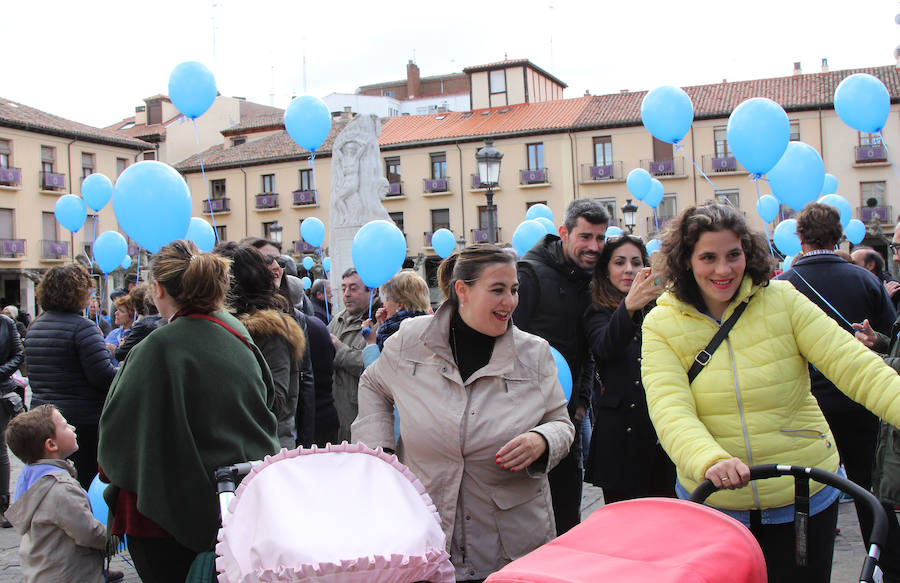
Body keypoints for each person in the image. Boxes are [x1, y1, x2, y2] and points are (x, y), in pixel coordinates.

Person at [641, 203, 900, 583]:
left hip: (804, 493)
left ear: (749, 252)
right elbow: (668, 407)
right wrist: (708, 458)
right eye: (708, 257)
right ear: (685, 260)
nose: (724, 269)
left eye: (734, 255)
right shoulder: (661, 323)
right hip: (717, 502)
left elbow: (856, 367)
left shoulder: (783, 299)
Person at [353, 244, 575, 581]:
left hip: (509, 541)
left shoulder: (534, 353)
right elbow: (373, 385)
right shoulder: (411, 341)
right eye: (498, 290)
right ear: (462, 290)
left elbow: (561, 422)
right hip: (429, 531)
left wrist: (542, 440)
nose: (510, 302)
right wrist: (380, 452)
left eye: (514, 290)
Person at [97, 240, 279, 583]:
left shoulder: (157, 347)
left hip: (162, 517)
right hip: (236, 504)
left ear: (159, 289)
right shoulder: (237, 333)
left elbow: (116, 439)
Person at [778, 203, 896, 549]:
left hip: (808, 407)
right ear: (838, 234)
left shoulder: (783, 287)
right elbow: (890, 335)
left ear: (800, 237)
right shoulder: (866, 279)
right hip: (863, 400)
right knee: (869, 491)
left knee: (809, 490)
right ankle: (888, 563)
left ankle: (807, 561)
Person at [513, 198, 608, 535]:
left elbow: (586, 349)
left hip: (568, 417)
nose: (594, 246)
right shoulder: (529, 274)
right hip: (523, 418)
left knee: (567, 514)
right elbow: (507, 343)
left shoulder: (591, 279)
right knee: (526, 518)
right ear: (564, 233)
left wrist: (581, 402)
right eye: (585, 237)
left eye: (600, 238)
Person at [582, 234, 674, 502]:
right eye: (619, 262)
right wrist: (628, 307)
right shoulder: (596, 311)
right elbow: (605, 348)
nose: (628, 270)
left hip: (659, 431)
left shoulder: (661, 307)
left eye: (635, 262)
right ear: (606, 269)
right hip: (620, 437)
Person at [25, 265, 116, 490]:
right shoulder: (83, 328)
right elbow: (103, 377)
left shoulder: (35, 326)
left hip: (43, 417)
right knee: (84, 483)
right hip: (80, 423)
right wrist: (125, 367)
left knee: (52, 483)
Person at [218, 243, 308, 449]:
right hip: (236, 448)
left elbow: (275, 401)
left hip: (264, 451)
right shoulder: (218, 328)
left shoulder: (270, 332)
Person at [5, 405, 109, 582]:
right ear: (51, 444)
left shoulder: (31, 477)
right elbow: (88, 533)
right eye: (65, 425)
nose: (73, 428)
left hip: (43, 571)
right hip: (70, 576)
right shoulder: (60, 488)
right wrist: (115, 537)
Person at [328, 268, 370, 442]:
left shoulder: (376, 323)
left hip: (359, 414)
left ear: (370, 291)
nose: (346, 294)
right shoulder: (337, 320)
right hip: (334, 412)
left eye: (353, 288)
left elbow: (370, 364)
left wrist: (338, 348)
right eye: (344, 288)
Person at [361, 270, 431, 368]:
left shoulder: (392, 332)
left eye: (388, 299)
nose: (384, 304)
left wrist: (371, 342)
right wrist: (382, 325)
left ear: (400, 305)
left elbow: (375, 374)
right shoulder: (430, 325)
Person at [0, 311, 24, 529]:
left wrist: (1, 372)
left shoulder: (6, 324)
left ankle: (3, 504)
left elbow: (18, 355)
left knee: (1, 453)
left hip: (1, 393)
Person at [114, 284, 163, 363]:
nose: (116, 313)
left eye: (121, 311)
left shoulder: (143, 326)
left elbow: (121, 353)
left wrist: (117, 348)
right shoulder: (162, 320)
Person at [852, 244, 900, 309]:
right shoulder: (857, 284)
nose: (850, 267)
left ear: (870, 265)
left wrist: (884, 299)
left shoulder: (894, 288)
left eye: (854, 263)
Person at [104, 294, 136, 367]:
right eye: (117, 309)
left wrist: (116, 350)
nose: (116, 313)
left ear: (131, 315)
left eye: (121, 311)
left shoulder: (135, 335)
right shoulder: (114, 333)